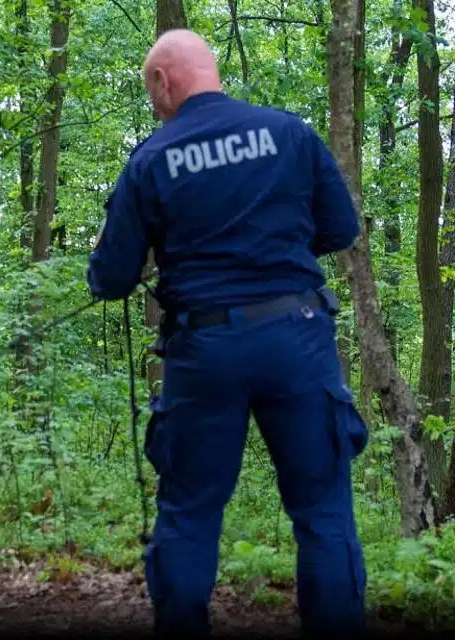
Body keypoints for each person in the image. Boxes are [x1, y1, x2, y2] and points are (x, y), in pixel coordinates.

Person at [87, 29, 369, 636]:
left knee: (189, 513)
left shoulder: (152, 159)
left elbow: (110, 279)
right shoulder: (290, 132)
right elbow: (341, 227)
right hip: (297, 337)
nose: (154, 105)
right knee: (322, 512)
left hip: (204, 349)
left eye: (150, 92)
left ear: (163, 81)